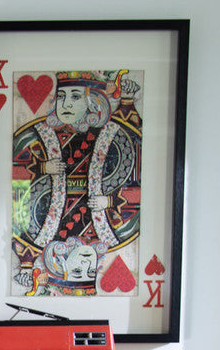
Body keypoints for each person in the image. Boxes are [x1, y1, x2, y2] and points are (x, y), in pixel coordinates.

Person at [12, 70, 141, 294]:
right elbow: (14, 181)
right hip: (52, 222)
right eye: (61, 96)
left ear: (93, 102)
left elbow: (137, 187)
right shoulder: (38, 134)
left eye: (75, 96)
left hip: (93, 223)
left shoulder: (115, 134)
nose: (66, 104)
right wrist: (43, 168)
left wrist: (108, 201)